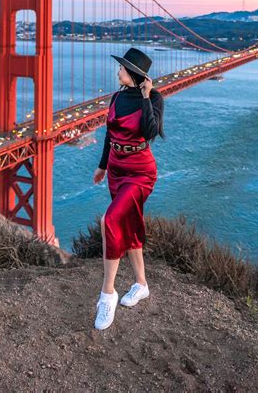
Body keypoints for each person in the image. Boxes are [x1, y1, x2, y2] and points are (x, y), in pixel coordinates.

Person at [92, 47, 166, 330]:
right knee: (130, 228)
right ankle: (141, 284)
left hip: (140, 172)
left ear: (134, 74)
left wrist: (147, 96)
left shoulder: (154, 99)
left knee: (110, 221)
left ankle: (107, 295)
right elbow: (110, 136)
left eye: (122, 68)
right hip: (116, 169)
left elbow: (150, 132)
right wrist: (102, 166)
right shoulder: (117, 97)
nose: (118, 71)